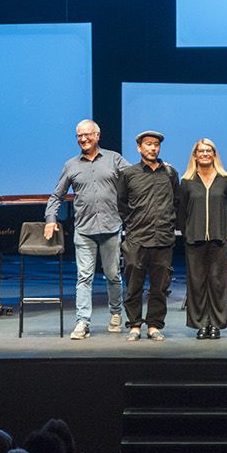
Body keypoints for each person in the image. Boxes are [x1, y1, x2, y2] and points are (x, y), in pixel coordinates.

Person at [44, 119, 129, 340]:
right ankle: (82, 322)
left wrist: (156, 169)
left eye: (87, 135)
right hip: (84, 229)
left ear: (97, 135)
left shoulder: (114, 159)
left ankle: (115, 313)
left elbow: (135, 178)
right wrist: (51, 218)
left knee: (113, 275)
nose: (83, 139)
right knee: (84, 277)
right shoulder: (71, 165)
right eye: (79, 136)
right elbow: (57, 195)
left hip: (111, 227)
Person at [116, 129, 179, 342]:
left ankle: (153, 325)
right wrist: (133, 225)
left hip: (163, 238)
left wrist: (169, 223)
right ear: (139, 148)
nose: (153, 148)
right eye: (148, 144)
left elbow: (176, 201)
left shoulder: (170, 174)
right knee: (133, 284)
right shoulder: (128, 174)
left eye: (156, 144)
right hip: (136, 238)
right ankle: (134, 324)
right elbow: (122, 205)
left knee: (160, 287)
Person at [176, 138, 227, 339]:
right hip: (194, 239)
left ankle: (216, 323)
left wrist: (226, 233)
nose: (204, 154)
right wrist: (187, 233)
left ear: (214, 154)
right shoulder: (187, 181)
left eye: (208, 150)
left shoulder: (225, 179)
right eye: (200, 151)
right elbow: (181, 211)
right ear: (195, 155)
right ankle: (201, 324)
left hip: (219, 239)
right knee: (197, 283)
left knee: (218, 282)